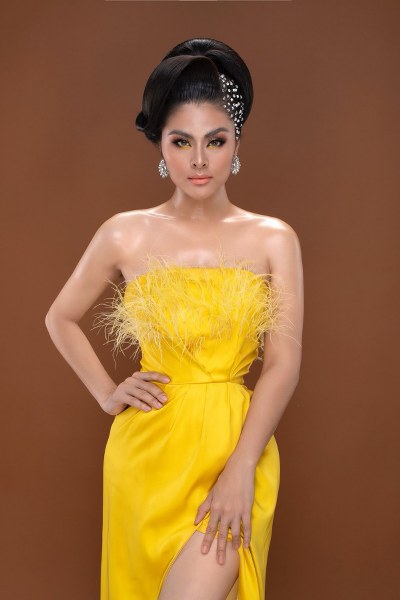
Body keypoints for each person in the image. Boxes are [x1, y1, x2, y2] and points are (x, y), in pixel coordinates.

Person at [45, 37, 304, 600]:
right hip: (147, 455)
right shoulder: (124, 233)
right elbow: (59, 317)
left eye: (216, 141)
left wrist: (241, 469)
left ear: (236, 143)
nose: (199, 160)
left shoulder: (273, 238)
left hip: (236, 447)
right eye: (181, 141)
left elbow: (283, 364)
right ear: (161, 147)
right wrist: (108, 394)